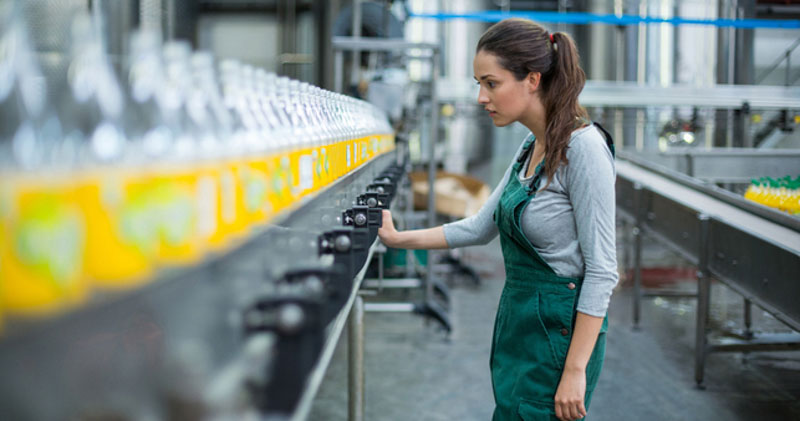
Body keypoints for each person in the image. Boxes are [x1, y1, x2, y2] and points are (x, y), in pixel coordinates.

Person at [377, 18, 618, 421]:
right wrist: (398, 239)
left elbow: (603, 270)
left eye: (491, 83)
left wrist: (575, 371)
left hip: (557, 336)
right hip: (519, 326)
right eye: (478, 84)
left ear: (532, 80)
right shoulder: (530, 146)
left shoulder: (585, 149)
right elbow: (479, 227)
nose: (480, 97)